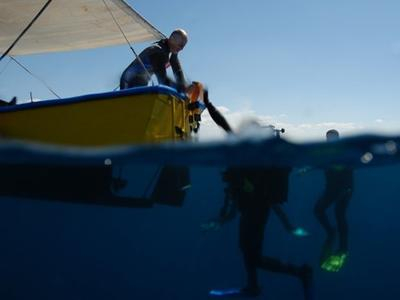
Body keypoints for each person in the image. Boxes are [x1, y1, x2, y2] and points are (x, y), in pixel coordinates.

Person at [314, 129, 354, 272]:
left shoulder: (344, 152)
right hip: (331, 190)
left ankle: (343, 248)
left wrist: (347, 190)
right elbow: (319, 163)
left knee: (339, 213)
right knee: (318, 210)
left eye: (332, 138)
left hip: (344, 189)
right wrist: (307, 168)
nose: (330, 140)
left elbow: (348, 170)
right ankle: (331, 232)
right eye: (328, 138)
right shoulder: (325, 152)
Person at [120, 29, 188, 91]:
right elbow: (162, 79)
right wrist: (181, 89)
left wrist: (185, 87)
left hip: (142, 81)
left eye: (183, 46)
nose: (181, 49)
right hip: (128, 81)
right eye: (181, 45)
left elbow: (177, 69)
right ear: (172, 39)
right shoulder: (158, 51)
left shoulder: (171, 50)